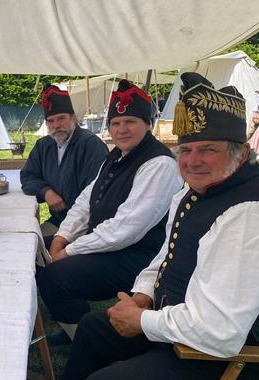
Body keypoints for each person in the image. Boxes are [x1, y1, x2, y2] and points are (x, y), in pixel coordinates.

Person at [49, 72, 259, 380]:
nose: (192, 160)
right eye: (185, 149)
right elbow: (165, 255)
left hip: (238, 362)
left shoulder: (252, 212)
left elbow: (219, 330)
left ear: (241, 153)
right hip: (184, 334)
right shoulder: (195, 190)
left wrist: (142, 321)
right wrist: (144, 295)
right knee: (96, 328)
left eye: (208, 149)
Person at [37, 80, 183, 346]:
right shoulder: (116, 155)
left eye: (130, 122)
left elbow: (126, 229)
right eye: (116, 123)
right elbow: (85, 201)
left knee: (54, 276)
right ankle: (74, 325)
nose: (121, 129)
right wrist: (61, 238)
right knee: (36, 252)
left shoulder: (160, 164)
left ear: (147, 124)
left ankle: (87, 338)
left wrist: (68, 251)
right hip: (109, 245)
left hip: (138, 256)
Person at [21, 84, 108, 248]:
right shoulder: (43, 146)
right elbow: (27, 177)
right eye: (51, 121)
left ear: (73, 118)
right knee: (28, 243)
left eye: (61, 118)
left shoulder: (90, 145)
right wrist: (46, 192)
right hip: (58, 220)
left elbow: (97, 191)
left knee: (37, 249)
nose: (56, 125)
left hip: (86, 226)